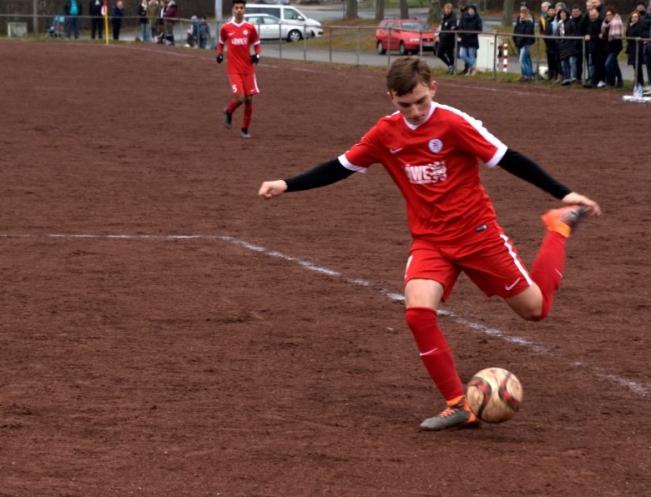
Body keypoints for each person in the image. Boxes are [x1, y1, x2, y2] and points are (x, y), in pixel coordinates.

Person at [257, 56, 601, 431]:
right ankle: (458, 405)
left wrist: (563, 193)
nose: (416, 111)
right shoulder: (385, 133)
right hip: (430, 242)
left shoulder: (454, 123)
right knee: (417, 312)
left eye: (421, 101)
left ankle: (558, 228)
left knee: (535, 310)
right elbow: (340, 166)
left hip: (477, 235)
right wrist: (286, 184)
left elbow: (509, 158)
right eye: (405, 104)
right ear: (391, 97)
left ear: (433, 88)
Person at [216, 0, 261, 139]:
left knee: (249, 99)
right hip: (234, 69)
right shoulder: (226, 28)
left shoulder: (250, 28)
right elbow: (221, 43)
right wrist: (219, 54)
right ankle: (229, 111)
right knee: (240, 98)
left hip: (248, 69)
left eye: (241, 8)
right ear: (233, 10)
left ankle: (245, 129)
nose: (239, 10)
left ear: (245, 10)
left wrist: (257, 55)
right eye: (237, 8)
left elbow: (257, 44)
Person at [457, 3, 482, 75]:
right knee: (462, 54)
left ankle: (471, 71)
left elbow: (479, 29)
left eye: (472, 10)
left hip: (472, 40)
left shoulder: (478, 19)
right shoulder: (464, 18)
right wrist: (460, 32)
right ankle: (474, 67)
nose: (470, 11)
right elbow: (461, 26)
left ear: (474, 11)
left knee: (471, 56)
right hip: (464, 39)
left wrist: (471, 33)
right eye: (469, 10)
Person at [512, 6, 535, 82]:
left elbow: (527, 33)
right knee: (525, 60)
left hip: (525, 44)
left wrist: (520, 39)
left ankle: (527, 75)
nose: (520, 15)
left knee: (522, 60)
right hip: (519, 43)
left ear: (526, 14)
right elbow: (515, 32)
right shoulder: (519, 23)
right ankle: (526, 75)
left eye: (522, 13)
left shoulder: (529, 23)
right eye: (520, 13)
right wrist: (515, 40)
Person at [437, 3, 458, 75]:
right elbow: (442, 27)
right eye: (446, 9)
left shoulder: (453, 17)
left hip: (449, 39)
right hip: (443, 38)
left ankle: (452, 67)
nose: (447, 10)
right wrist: (440, 35)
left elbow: (453, 27)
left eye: (449, 9)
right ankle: (450, 65)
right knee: (439, 54)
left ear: (451, 10)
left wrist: (452, 28)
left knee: (450, 54)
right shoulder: (444, 17)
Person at [625, 10, 645, 89]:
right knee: (634, 66)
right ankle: (638, 81)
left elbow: (638, 35)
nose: (634, 18)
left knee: (638, 65)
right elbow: (627, 36)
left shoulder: (640, 26)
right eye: (633, 17)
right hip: (631, 47)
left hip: (638, 48)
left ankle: (639, 82)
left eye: (636, 17)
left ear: (638, 18)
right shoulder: (629, 26)